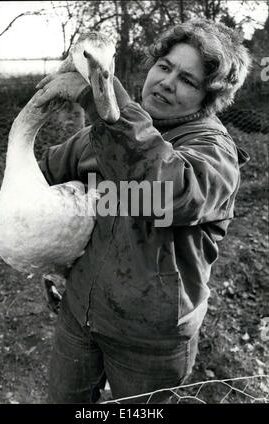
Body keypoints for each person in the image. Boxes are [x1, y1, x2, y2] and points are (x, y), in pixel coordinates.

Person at [35, 19, 251, 403]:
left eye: (188, 80)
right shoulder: (98, 134)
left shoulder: (213, 151)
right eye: (165, 66)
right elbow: (43, 179)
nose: (167, 82)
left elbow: (164, 195)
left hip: (151, 339)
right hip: (80, 314)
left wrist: (100, 94)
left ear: (209, 97)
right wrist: (46, 253)